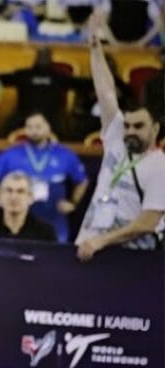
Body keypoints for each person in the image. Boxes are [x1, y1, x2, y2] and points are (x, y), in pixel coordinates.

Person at [76, 9, 165, 260]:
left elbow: (148, 222)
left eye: (139, 126)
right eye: (127, 125)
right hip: (90, 248)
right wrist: (95, 49)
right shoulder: (117, 142)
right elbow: (106, 93)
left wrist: (102, 241)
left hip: (130, 260)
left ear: (155, 129)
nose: (130, 131)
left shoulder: (159, 166)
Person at [0, 112, 88, 242]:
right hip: (21, 219)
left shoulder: (64, 154)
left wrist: (73, 202)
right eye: (29, 127)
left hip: (54, 216)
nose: (34, 131)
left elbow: (82, 180)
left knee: (55, 254)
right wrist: (1, 198)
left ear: (48, 128)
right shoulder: (12, 152)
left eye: (38, 126)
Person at [0, 46, 72, 137]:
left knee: (4, 134)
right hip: (26, 116)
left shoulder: (23, 75)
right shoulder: (58, 77)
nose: (43, 59)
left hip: (45, 116)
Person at [0, 171, 58, 241]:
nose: (13, 197)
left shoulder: (45, 233)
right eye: (9, 190)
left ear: (31, 198)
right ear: (0, 196)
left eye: (20, 191)